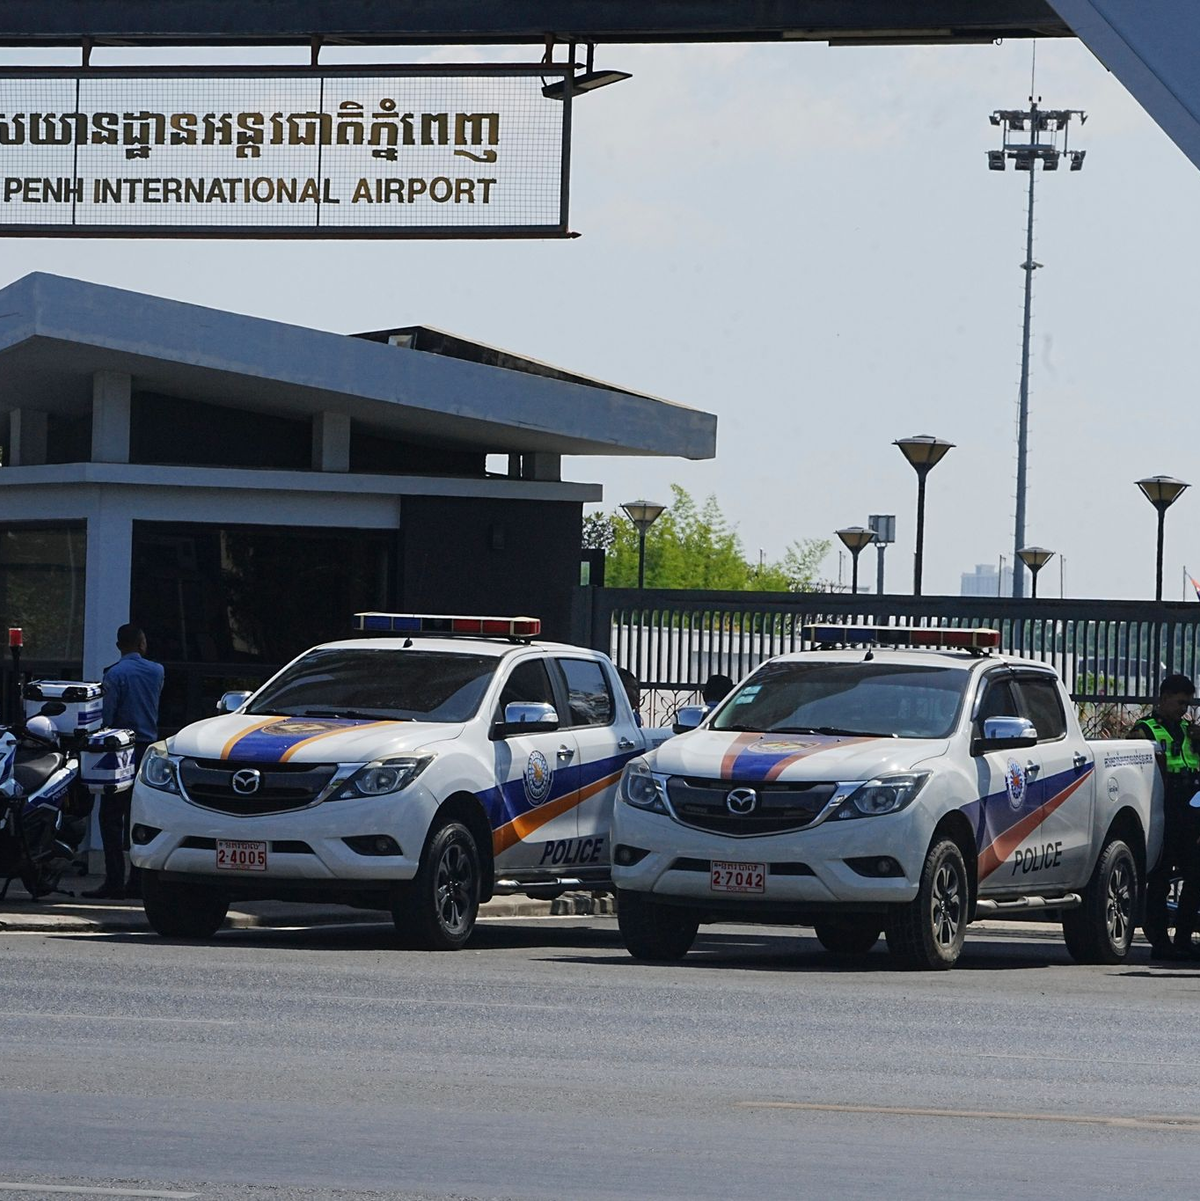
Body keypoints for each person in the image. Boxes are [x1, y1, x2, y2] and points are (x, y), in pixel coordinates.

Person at [83, 624, 164, 901]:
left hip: (119, 751)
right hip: (147, 748)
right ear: (142, 644)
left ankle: (114, 880)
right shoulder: (157, 671)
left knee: (110, 817)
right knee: (138, 817)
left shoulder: (114, 674)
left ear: (119, 646)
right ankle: (138, 881)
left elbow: (107, 717)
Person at [1132, 673, 1200, 960]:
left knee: (1195, 875)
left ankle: (1184, 939)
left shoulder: (1190, 731)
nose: (1184, 709)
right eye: (1180, 703)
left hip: (1191, 809)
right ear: (1164, 698)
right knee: (1160, 878)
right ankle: (1160, 942)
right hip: (1162, 808)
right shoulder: (1144, 730)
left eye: (1187, 704)